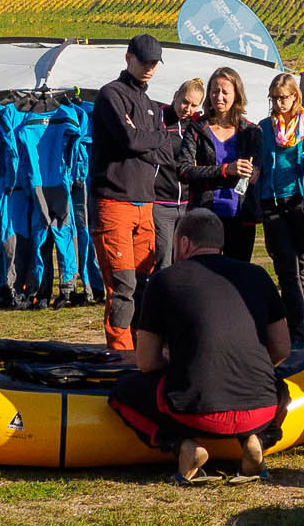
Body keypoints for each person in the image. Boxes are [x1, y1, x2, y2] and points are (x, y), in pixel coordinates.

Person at [113, 207, 292, 486]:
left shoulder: (163, 280)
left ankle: (183, 447)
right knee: (281, 388)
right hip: (261, 408)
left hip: (196, 413)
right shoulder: (258, 274)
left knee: (122, 392)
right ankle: (258, 440)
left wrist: (179, 363)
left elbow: (146, 362)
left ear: (184, 243)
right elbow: (282, 349)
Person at [87, 34, 178, 350]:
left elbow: (166, 152)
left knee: (144, 285)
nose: (150, 68)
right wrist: (145, 138)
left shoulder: (151, 105)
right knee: (123, 287)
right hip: (114, 203)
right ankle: (120, 356)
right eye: (145, 61)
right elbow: (130, 141)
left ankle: (143, 353)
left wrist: (143, 138)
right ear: (129, 58)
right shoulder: (111, 95)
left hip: (145, 204)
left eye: (154, 63)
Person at [254, 71, 304, 347]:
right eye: (275, 98)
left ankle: (302, 331)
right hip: (272, 203)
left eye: (284, 98)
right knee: (285, 270)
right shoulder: (264, 128)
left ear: (295, 97)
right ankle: (294, 329)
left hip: (300, 202)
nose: (279, 103)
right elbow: (259, 165)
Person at [180, 67, 261, 262]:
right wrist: (225, 170)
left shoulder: (252, 131)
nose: (219, 96)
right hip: (205, 217)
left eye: (225, 91)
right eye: (215, 91)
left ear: (236, 94)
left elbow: (258, 170)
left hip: (241, 217)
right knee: (204, 275)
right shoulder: (197, 129)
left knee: (238, 277)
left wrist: (254, 173)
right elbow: (184, 169)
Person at [151, 78, 204, 268]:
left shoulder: (196, 126)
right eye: (185, 102)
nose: (187, 108)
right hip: (161, 202)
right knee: (164, 259)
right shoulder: (158, 119)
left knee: (185, 259)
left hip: (188, 205)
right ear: (175, 96)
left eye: (193, 105)